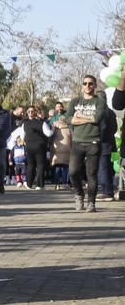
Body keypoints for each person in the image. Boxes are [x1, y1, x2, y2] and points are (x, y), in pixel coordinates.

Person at [65, 75, 106, 212]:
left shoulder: (99, 102)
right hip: (77, 141)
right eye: (85, 83)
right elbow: (69, 119)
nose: (87, 86)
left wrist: (80, 117)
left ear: (95, 86)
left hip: (93, 142)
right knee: (73, 172)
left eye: (90, 84)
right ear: (82, 85)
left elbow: (97, 118)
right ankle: (78, 194)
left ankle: (91, 202)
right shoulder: (75, 101)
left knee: (91, 174)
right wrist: (87, 118)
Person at [20, 105, 52, 190]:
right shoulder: (42, 123)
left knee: (30, 165)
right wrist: (54, 129)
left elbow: (22, 136)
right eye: (29, 111)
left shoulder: (24, 124)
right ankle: (40, 185)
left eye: (31, 111)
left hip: (29, 146)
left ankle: (29, 183)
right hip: (40, 146)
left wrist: (28, 141)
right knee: (40, 165)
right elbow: (48, 134)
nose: (30, 113)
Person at [51, 116, 73, 189]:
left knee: (57, 168)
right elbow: (72, 139)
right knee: (65, 168)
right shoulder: (69, 129)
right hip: (67, 150)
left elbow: (50, 138)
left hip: (56, 150)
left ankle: (57, 184)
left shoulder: (54, 129)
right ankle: (64, 183)